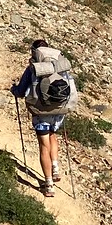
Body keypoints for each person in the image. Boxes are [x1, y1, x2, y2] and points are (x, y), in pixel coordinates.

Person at [11, 39, 77, 196]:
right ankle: (55, 168)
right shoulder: (60, 65)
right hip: (59, 110)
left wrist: (14, 89)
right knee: (52, 136)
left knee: (43, 145)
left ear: (34, 51)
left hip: (41, 112)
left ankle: (48, 185)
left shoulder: (33, 68)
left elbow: (20, 92)